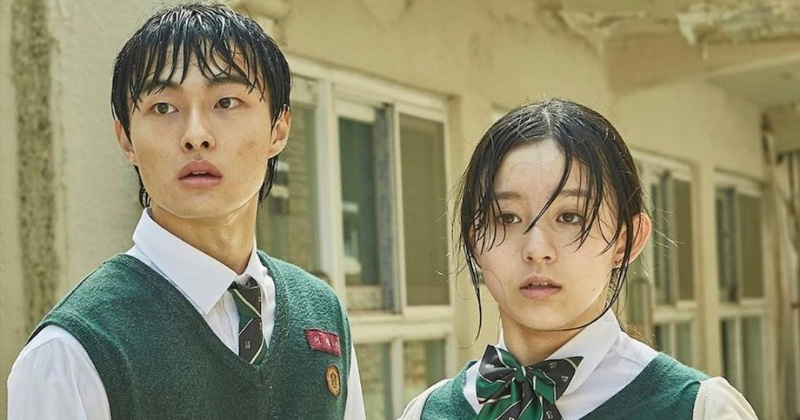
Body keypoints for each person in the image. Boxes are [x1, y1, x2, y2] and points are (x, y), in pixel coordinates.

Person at [7, 4, 365, 419]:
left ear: (279, 129)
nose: (196, 135)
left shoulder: (322, 314)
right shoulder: (72, 353)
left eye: (226, 102)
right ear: (126, 140)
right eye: (163, 108)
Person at [399, 98, 757, 420]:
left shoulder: (699, 409)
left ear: (625, 241)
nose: (537, 249)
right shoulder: (428, 412)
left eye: (570, 217)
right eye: (507, 217)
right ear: (474, 241)